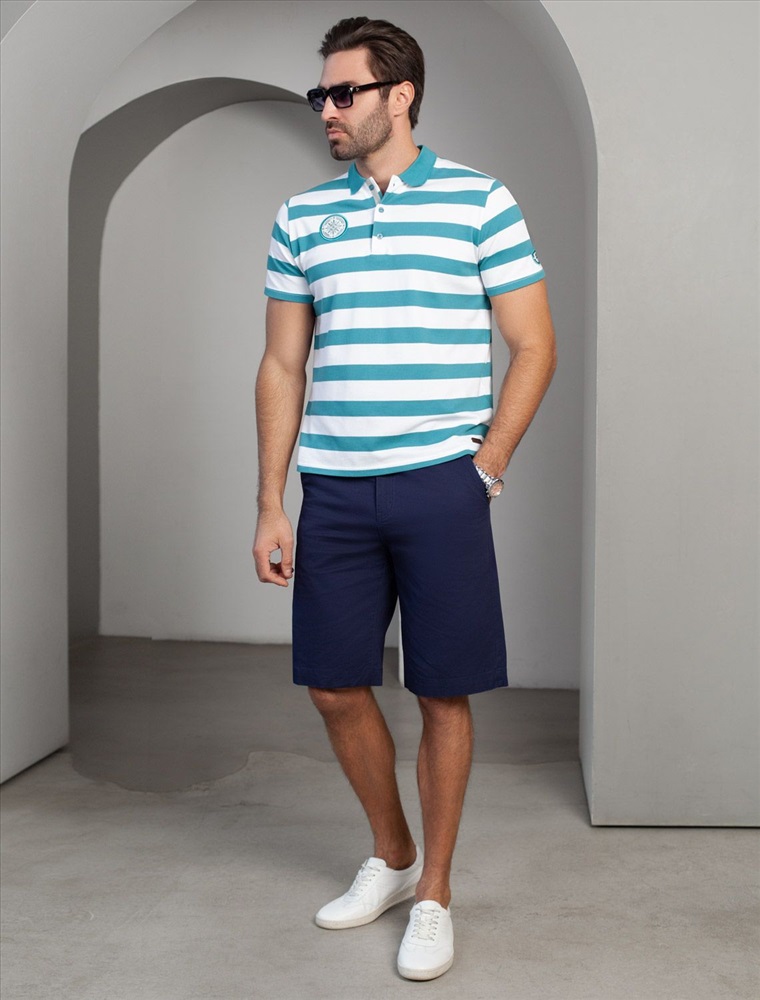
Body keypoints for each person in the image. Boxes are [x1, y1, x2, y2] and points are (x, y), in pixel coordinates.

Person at [253, 16, 557, 982]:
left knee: (441, 690)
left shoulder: (481, 200)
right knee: (334, 685)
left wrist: (485, 466)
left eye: (343, 93)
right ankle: (392, 856)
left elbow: (534, 344)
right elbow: (282, 363)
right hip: (335, 489)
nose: (327, 110)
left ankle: (435, 895)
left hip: (440, 486)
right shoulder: (302, 216)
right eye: (321, 95)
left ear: (401, 95)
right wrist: (271, 501)